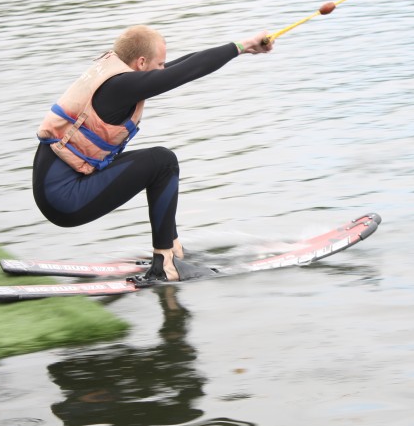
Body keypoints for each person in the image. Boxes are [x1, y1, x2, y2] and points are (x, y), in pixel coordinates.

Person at [32, 26, 273, 281]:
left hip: (61, 188)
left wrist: (244, 48)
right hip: (65, 200)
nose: (163, 69)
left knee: (158, 165)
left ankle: (172, 250)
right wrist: (243, 45)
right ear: (141, 62)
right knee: (162, 161)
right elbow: (185, 72)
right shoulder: (120, 86)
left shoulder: (115, 74)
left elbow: (179, 66)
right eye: (159, 64)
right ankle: (165, 264)